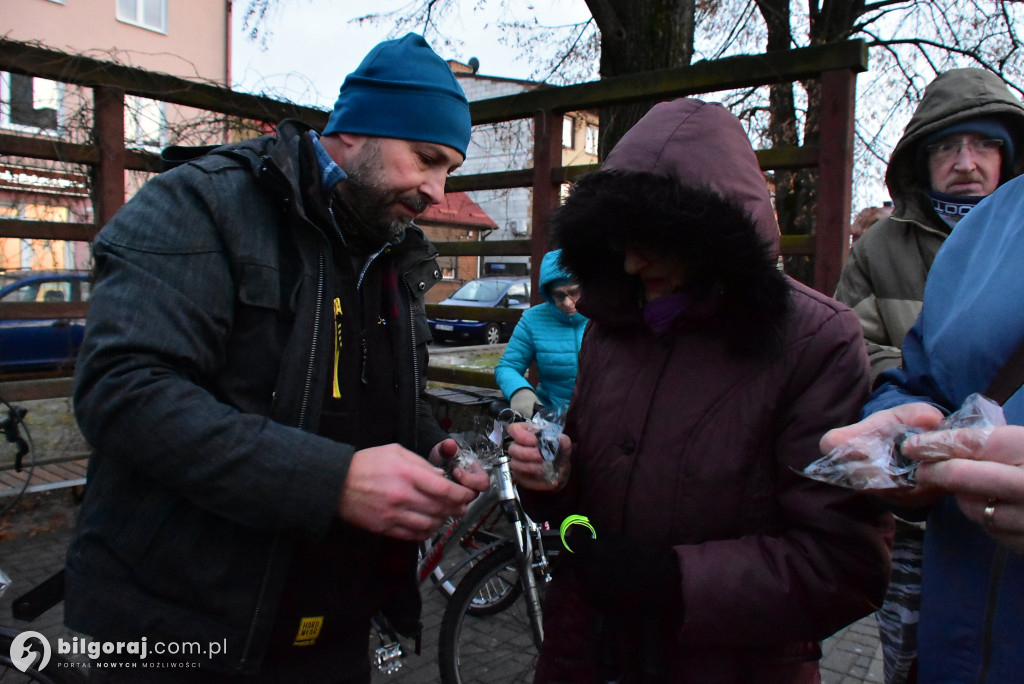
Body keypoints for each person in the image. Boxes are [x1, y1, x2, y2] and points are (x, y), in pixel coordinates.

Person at [65, 33, 489, 682]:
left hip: (334, 623)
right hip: (181, 625)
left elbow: (368, 400)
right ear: (356, 131)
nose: (436, 191)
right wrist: (332, 481)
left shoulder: (394, 252)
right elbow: (123, 392)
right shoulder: (200, 203)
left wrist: (429, 449)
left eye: (449, 171)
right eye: (426, 158)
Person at [505, 98, 893, 683]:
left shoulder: (816, 341)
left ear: (715, 235)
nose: (634, 263)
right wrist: (553, 478)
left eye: (656, 239)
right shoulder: (610, 327)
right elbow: (580, 496)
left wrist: (671, 582)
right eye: (620, 239)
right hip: (587, 651)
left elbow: (845, 564)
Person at [832, 67, 1024, 684]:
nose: (966, 162)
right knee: (907, 655)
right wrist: (905, 411)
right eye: (947, 145)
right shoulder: (880, 245)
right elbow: (857, 344)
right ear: (921, 160)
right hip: (921, 517)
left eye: (984, 144)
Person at [494, 249, 587, 418]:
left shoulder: (604, 316)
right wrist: (519, 390)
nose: (567, 302)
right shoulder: (533, 319)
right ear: (548, 293)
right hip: (550, 418)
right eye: (559, 295)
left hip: (601, 419)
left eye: (574, 292)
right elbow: (508, 366)